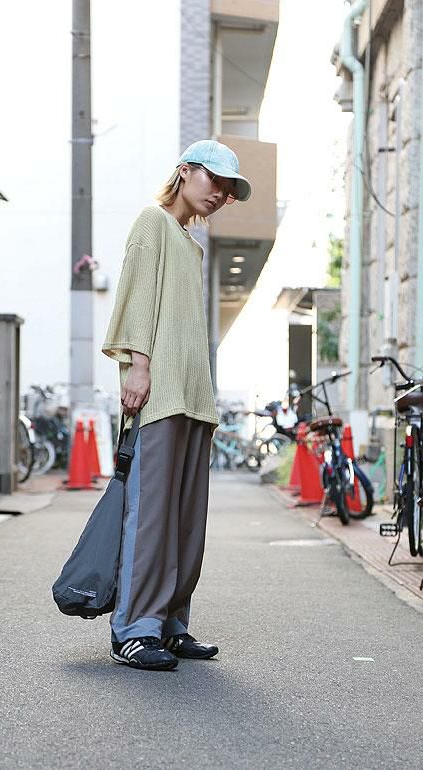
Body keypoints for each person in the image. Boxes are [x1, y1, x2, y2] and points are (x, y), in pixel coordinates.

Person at [102, 140, 252, 671]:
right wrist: (138, 367)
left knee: (187, 520)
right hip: (160, 392)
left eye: (228, 189)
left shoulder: (191, 245)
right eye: (214, 179)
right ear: (185, 171)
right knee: (151, 515)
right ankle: (133, 630)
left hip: (193, 397)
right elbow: (139, 298)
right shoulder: (153, 223)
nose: (220, 194)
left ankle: (169, 623)